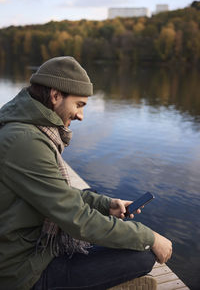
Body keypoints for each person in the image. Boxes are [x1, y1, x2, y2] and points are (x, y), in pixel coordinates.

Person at [0, 56, 172, 290]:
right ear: (55, 96)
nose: (81, 115)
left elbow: (57, 193)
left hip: (27, 246)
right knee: (142, 255)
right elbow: (77, 219)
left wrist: (106, 205)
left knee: (93, 196)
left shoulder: (25, 129)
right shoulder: (26, 141)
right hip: (21, 271)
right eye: (79, 105)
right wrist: (149, 236)